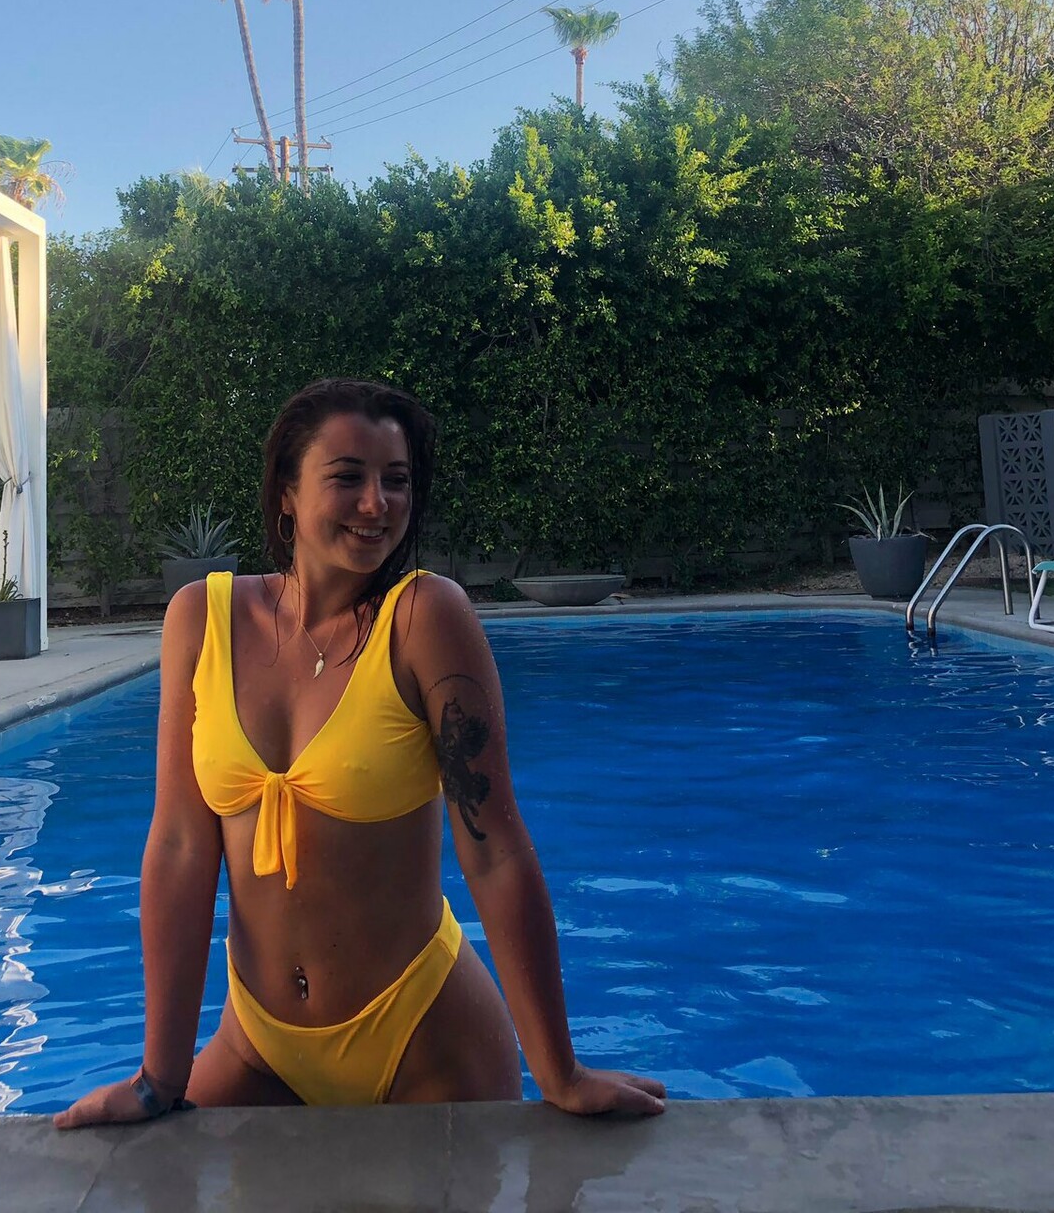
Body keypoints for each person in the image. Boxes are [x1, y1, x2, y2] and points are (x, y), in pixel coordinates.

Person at [56, 377, 666, 1123]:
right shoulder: (203, 619)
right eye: (348, 478)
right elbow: (181, 845)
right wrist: (158, 1078)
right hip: (260, 1043)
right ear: (286, 492)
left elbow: (495, 849)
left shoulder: (424, 619)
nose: (377, 504)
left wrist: (560, 1072)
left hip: (422, 1038)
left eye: (396, 481)